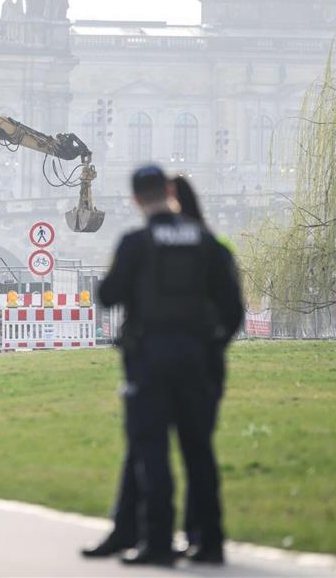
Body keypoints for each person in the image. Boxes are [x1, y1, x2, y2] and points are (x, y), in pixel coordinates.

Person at [87, 165, 243, 566]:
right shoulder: (207, 242)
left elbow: (108, 294)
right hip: (196, 359)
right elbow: (232, 308)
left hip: (150, 360)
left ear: (136, 199)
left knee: (151, 451)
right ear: (170, 191)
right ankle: (210, 542)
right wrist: (212, 347)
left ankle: (157, 543)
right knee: (198, 452)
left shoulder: (137, 243)